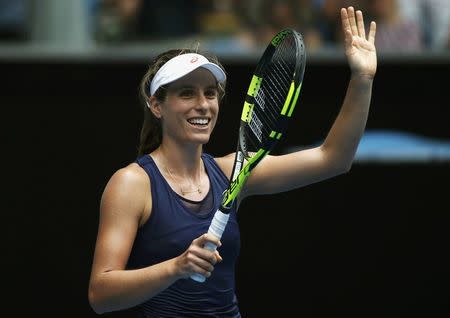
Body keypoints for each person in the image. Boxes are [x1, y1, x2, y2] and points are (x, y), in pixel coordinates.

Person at [88, 6, 377, 317]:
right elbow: (101, 294)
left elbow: (333, 158)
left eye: (210, 94)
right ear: (157, 105)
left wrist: (362, 77)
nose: (203, 105)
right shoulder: (132, 184)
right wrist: (176, 267)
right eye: (187, 94)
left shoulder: (234, 172)